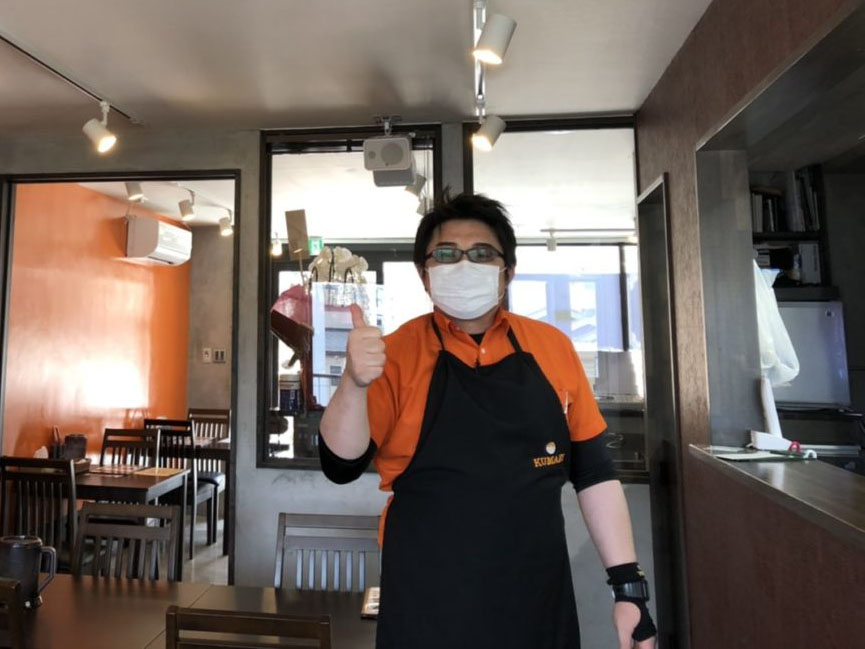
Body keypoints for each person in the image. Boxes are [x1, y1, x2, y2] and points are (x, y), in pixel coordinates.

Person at [319, 193, 657, 649]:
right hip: (426, 602)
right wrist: (354, 382)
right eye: (446, 254)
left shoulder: (552, 347)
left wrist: (628, 588)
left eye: (481, 253)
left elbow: (594, 472)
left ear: (507, 271)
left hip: (537, 599)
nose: (463, 264)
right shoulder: (396, 353)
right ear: (424, 275)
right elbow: (340, 465)